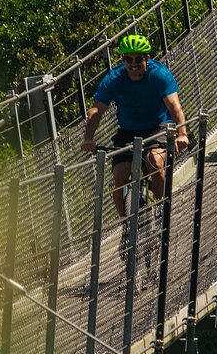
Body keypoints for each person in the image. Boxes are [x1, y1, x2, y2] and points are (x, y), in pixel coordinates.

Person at [81, 34, 189, 218]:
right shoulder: (114, 78)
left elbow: (174, 106)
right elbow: (96, 112)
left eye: (138, 58)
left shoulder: (159, 74)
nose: (133, 63)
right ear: (122, 59)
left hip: (158, 126)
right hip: (128, 130)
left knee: (155, 162)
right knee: (119, 177)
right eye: (128, 59)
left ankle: (162, 212)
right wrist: (88, 138)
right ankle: (126, 224)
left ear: (147, 57)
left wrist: (182, 133)